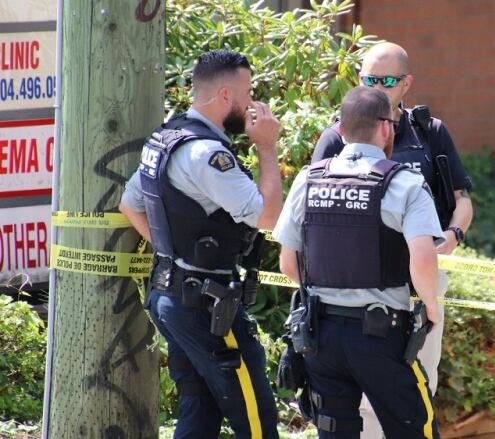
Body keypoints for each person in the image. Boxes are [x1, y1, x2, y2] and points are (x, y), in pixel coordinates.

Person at [119, 49, 283, 439]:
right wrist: (267, 148)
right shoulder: (208, 153)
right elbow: (267, 217)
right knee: (255, 416)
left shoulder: (166, 138)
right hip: (207, 306)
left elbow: (129, 205)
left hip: (170, 297)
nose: (250, 105)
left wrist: (173, 256)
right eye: (247, 95)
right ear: (226, 96)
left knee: (199, 412)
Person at [311, 42, 472, 438]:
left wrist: (452, 235)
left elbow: (462, 199)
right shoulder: (337, 137)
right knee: (360, 402)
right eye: (369, 79)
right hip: (361, 292)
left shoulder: (429, 132)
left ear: (407, 84)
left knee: (420, 380)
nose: (378, 88)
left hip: (420, 281)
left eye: (387, 80)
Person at [274, 86, 443, 439]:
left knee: (336, 432)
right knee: (415, 428)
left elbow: (289, 264)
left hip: (320, 337)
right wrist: (431, 306)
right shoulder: (405, 183)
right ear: (386, 128)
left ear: (340, 129)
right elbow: (423, 259)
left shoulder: (309, 179)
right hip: (381, 337)